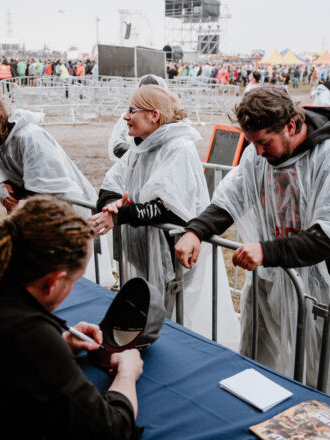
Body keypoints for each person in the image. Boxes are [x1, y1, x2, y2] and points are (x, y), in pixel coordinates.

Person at [174, 86, 330, 403]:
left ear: (291, 126)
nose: (258, 151)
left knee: (318, 381)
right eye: (252, 143)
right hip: (273, 282)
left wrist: (267, 251)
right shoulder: (258, 154)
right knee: (260, 366)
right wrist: (195, 231)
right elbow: (231, 198)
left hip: (323, 293)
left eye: (264, 142)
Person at [0, 195, 143, 439]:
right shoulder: (26, 334)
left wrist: (62, 345)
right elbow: (110, 430)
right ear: (53, 282)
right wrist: (127, 373)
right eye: (73, 281)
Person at [89, 85, 240, 349]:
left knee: (177, 325)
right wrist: (111, 204)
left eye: (132, 110)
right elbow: (113, 180)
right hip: (146, 259)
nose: (125, 117)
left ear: (153, 115)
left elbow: (167, 206)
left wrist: (123, 214)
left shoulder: (178, 148)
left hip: (174, 264)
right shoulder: (140, 148)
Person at [0, 87, 115, 286]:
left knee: (81, 278)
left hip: (68, 210)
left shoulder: (29, 137)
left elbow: (43, 188)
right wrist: (2, 187)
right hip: (45, 216)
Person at [108, 75, 168, 162]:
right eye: (141, 92)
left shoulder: (169, 124)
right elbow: (117, 142)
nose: (126, 117)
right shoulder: (130, 116)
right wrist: (132, 153)